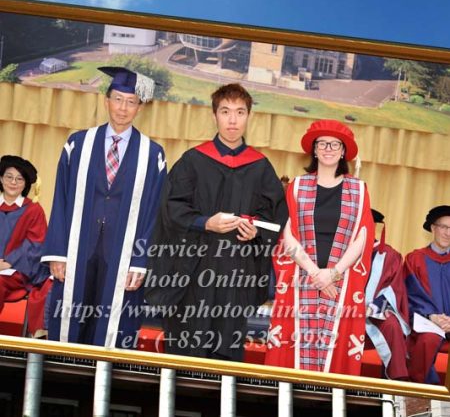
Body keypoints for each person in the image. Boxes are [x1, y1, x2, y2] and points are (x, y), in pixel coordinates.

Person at [145, 83, 288, 361]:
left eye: (240, 112)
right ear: (214, 116)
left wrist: (255, 232)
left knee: (225, 354)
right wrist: (205, 223)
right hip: (193, 273)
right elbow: (171, 209)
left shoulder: (260, 167)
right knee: (186, 351)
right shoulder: (193, 161)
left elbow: (274, 217)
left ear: (249, 116)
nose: (233, 120)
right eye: (225, 112)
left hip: (235, 277)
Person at [42, 67, 167, 348]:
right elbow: (60, 198)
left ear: (140, 107)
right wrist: (58, 253)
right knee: (70, 320)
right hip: (77, 249)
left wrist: (140, 261)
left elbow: (154, 213)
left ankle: (106, 376)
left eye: (131, 102)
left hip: (124, 255)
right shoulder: (78, 144)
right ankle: (63, 370)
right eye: (118, 99)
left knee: (114, 324)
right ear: (106, 100)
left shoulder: (152, 155)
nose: (123, 108)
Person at [265, 119, 374, 375]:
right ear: (314, 150)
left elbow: (362, 237)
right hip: (302, 277)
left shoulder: (358, 190)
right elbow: (287, 235)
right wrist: (316, 273)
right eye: (322, 143)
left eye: (335, 144)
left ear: (343, 151)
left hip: (341, 283)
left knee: (335, 355)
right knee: (293, 352)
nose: (328, 149)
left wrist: (333, 273)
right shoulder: (297, 186)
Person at [0, 155, 50, 337]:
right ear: (1, 179)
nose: (13, 182)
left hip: (17, 271)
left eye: (19, 179)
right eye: (9, 177)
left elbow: (36, 244)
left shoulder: (33, 210)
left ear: (26, 184)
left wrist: (8, 262)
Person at [404, 205, 450, 384]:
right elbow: (409, 296)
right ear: (433, 228)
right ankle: (421, 392)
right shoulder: (415, 259)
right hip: (426, 323)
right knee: (427, 340)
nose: (448, 233)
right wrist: (431, 316)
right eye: (444, 227)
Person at [365, 209, 409, 380]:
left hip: (372, 311)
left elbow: (393, 289)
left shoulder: (390, 256)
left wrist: (372, 308)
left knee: (392, 325)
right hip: (341, 310)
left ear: (374, 226)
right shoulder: (339, 251)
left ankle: (395, 381)